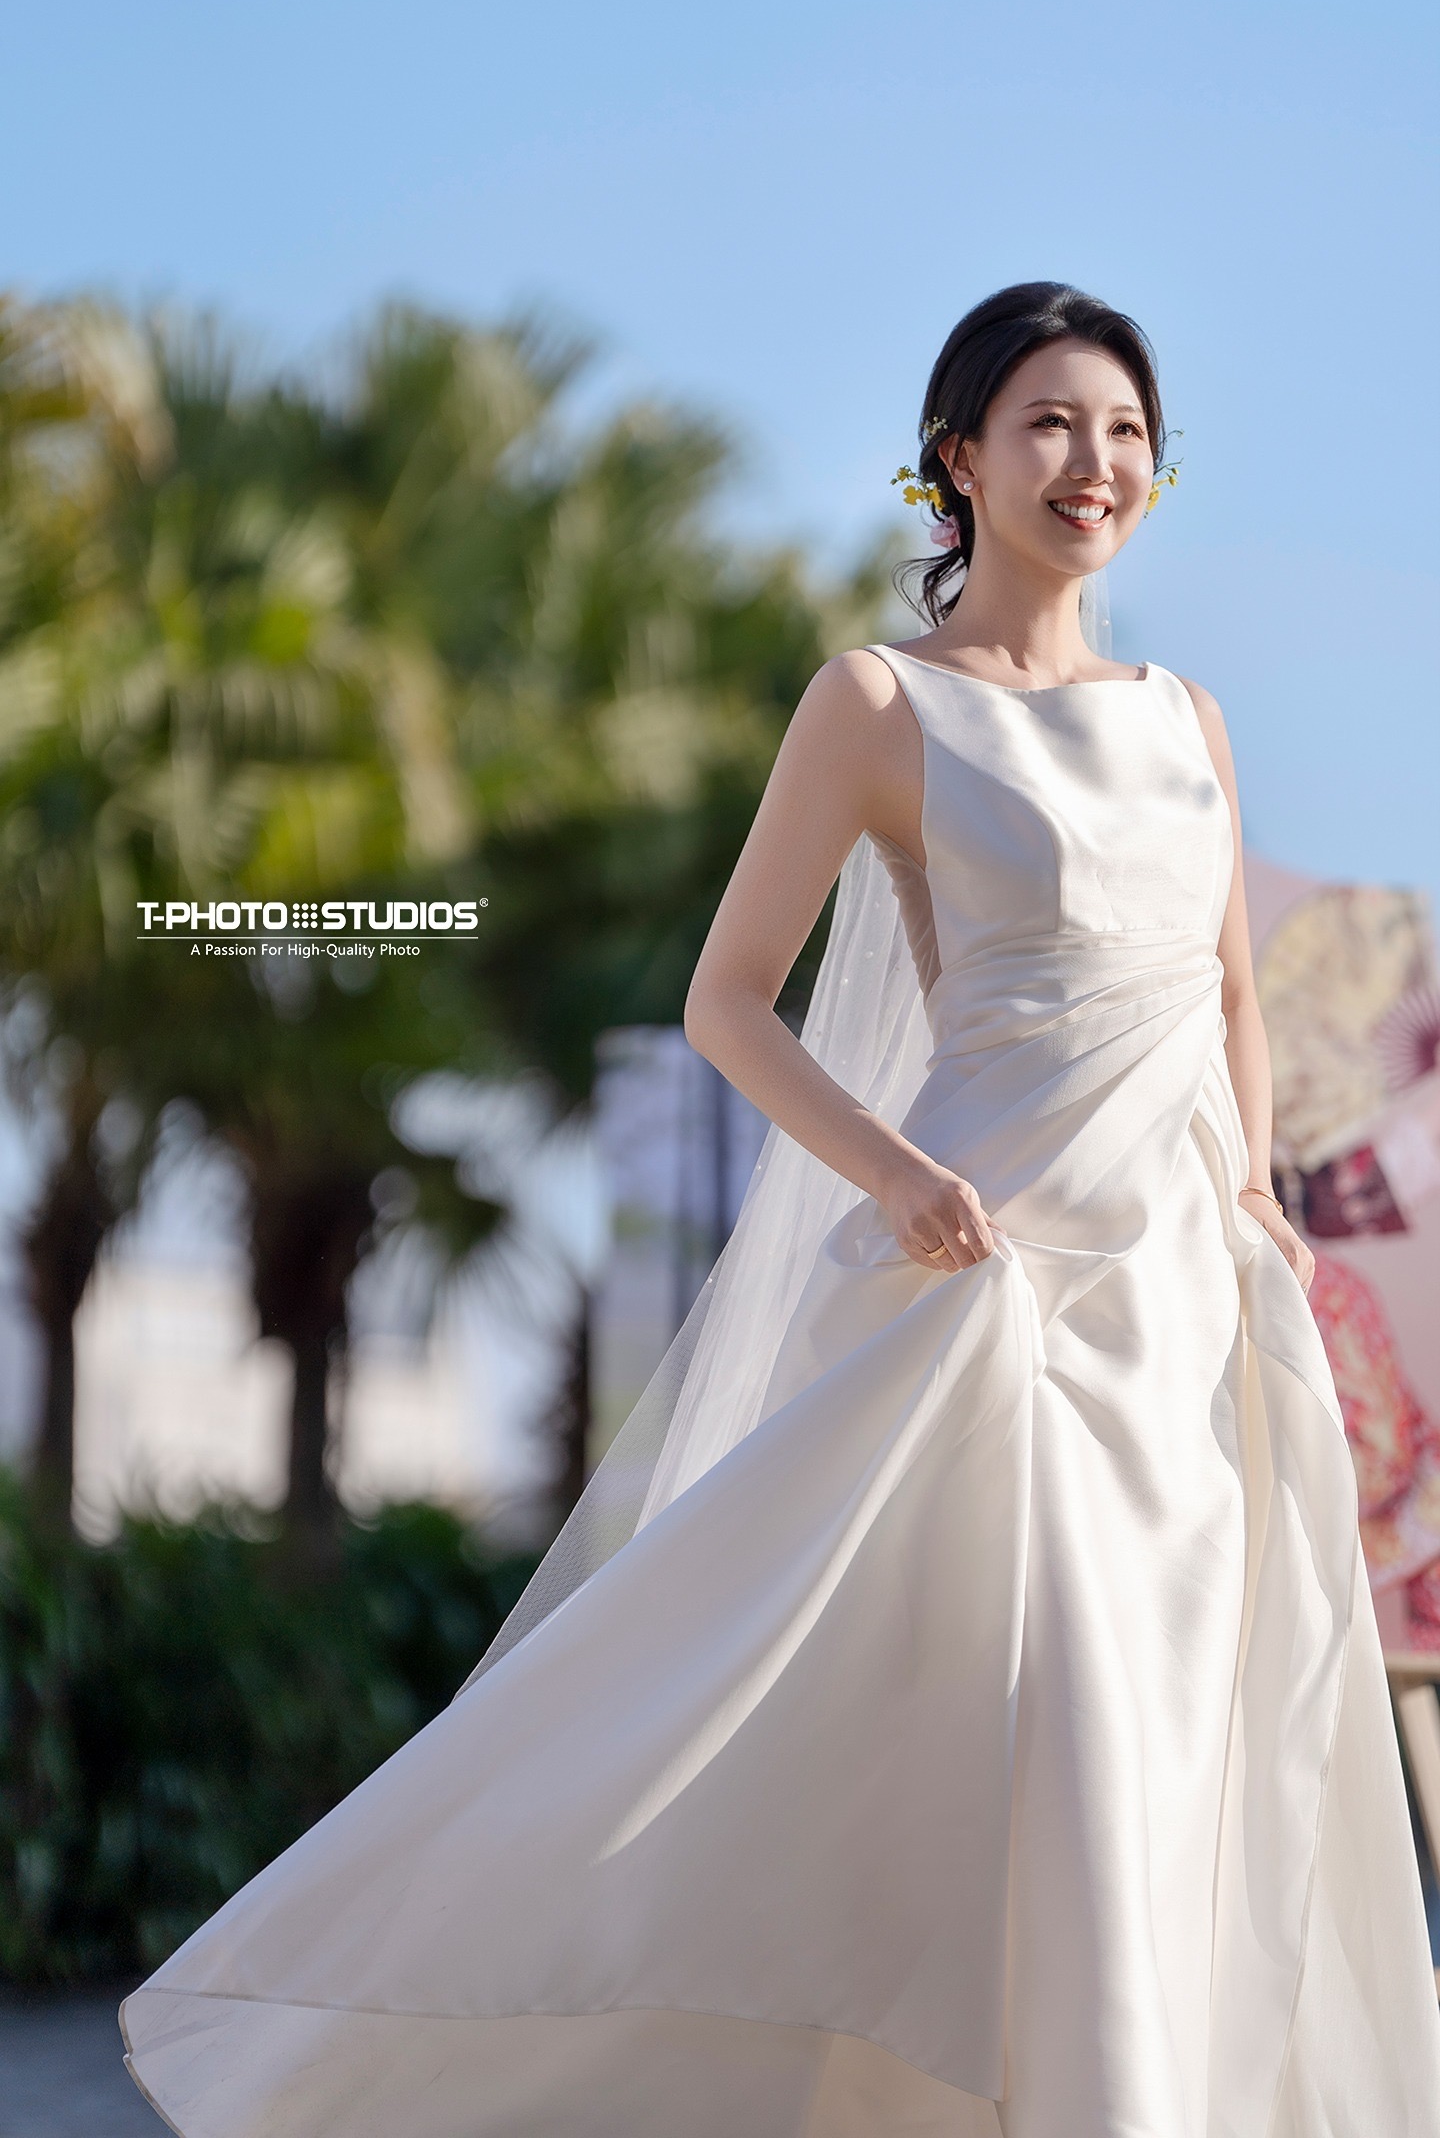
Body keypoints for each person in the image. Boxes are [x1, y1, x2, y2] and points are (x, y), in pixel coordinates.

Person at [120, 282, 1440, 2136]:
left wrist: (1248, 1185)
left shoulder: (1189, 720)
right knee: (1045, 1728)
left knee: (1162, 1758)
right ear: (957, 459)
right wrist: (894, 1172)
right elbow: (727, 1002)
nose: (1096, 463)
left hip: (1186, 1321)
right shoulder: (879, 704)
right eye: (1051, 425)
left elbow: (1230, 996)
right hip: (995, 1305)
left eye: (1128, 432)